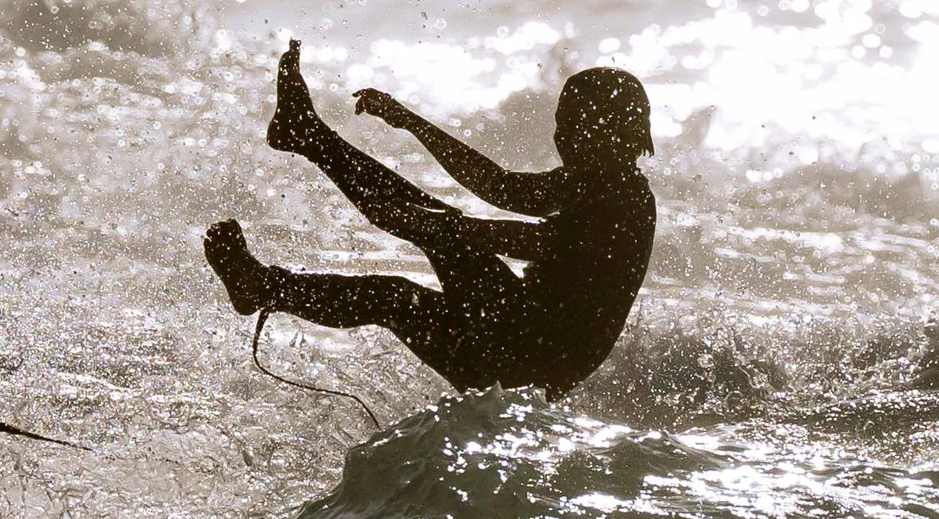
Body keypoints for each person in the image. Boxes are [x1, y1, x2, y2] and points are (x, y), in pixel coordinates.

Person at [204, 41, 655, 398]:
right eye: (560, 125)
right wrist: (410, 122)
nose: (561, 137)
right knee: (411, 268)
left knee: (424, 250)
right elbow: (500, 186)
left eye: (573, 126)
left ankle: (304, 147)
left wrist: (433, 225)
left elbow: (533, 242)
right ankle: (271, 266)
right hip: (517, 342)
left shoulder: (626, 203)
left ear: (613, 133)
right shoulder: (594, 178)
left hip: (528, 357)